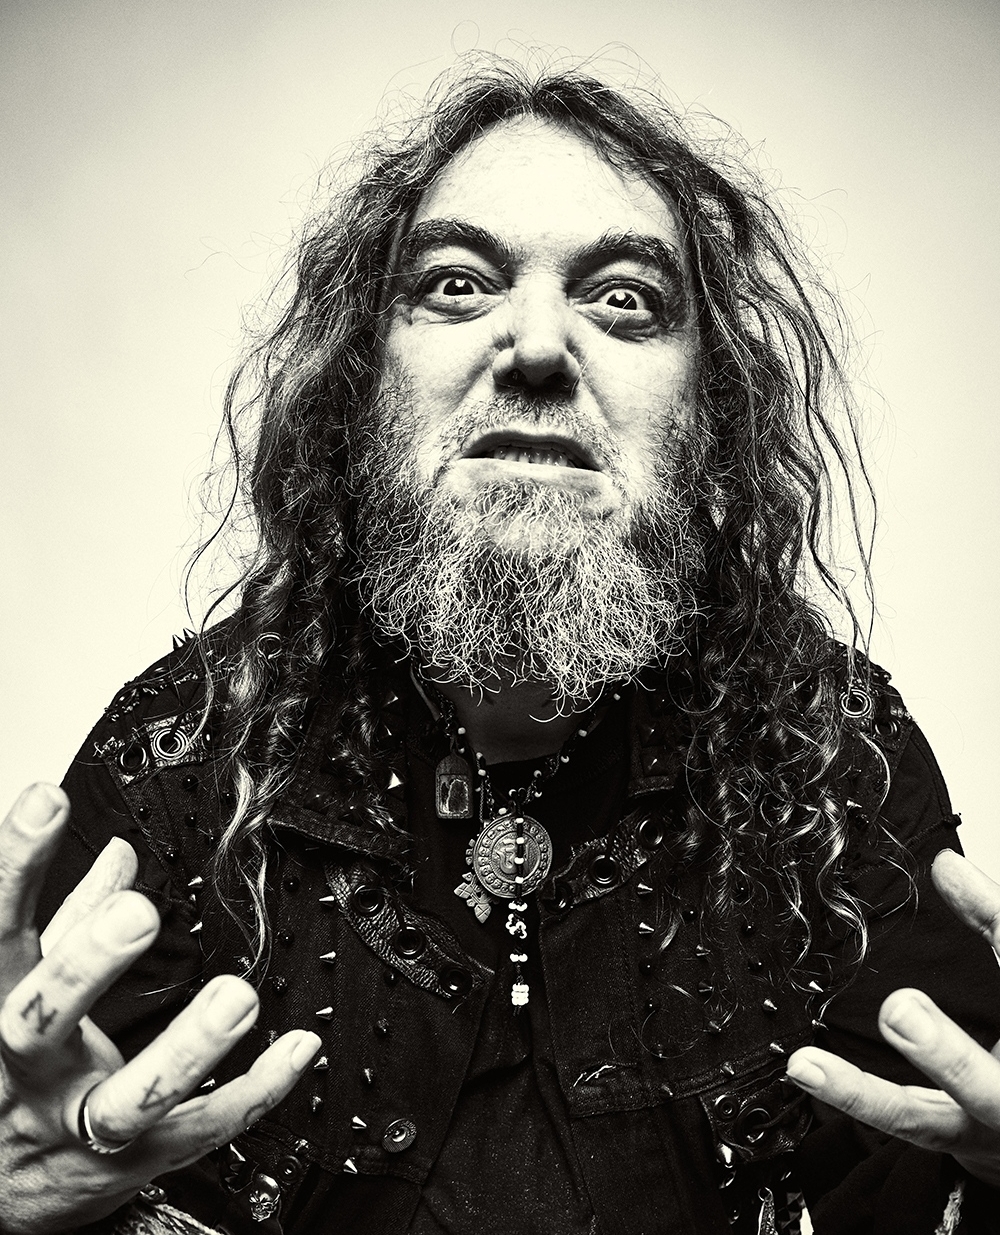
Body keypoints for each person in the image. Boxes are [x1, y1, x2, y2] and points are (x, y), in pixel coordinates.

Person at [2, 57, 999, 1235]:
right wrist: (18, 1201)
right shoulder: (181, 764)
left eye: (623, 298)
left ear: (710, 412)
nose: (534, 343)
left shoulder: (829, 753)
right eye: (456, 285)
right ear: (362, 385)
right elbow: (58, 1135)